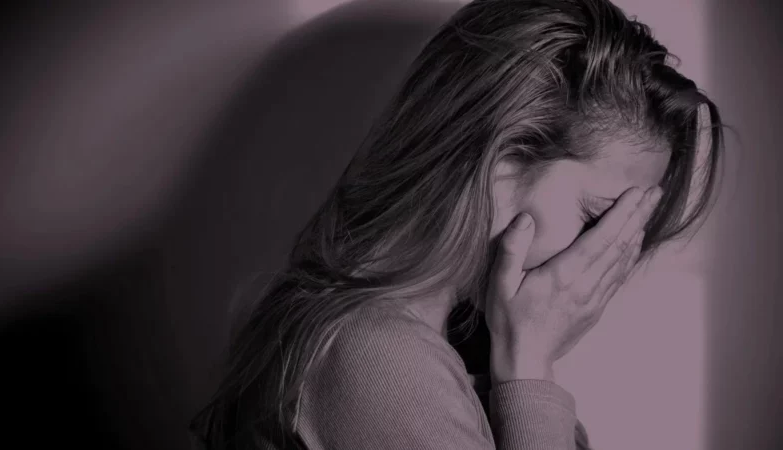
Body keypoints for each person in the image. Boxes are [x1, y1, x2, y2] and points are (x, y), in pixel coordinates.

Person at [189, 0, 724, 448]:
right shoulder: (379, 359)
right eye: (599, 217)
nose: (606, 258)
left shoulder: (438, 344)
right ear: (500, 160)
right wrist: (530, 367)